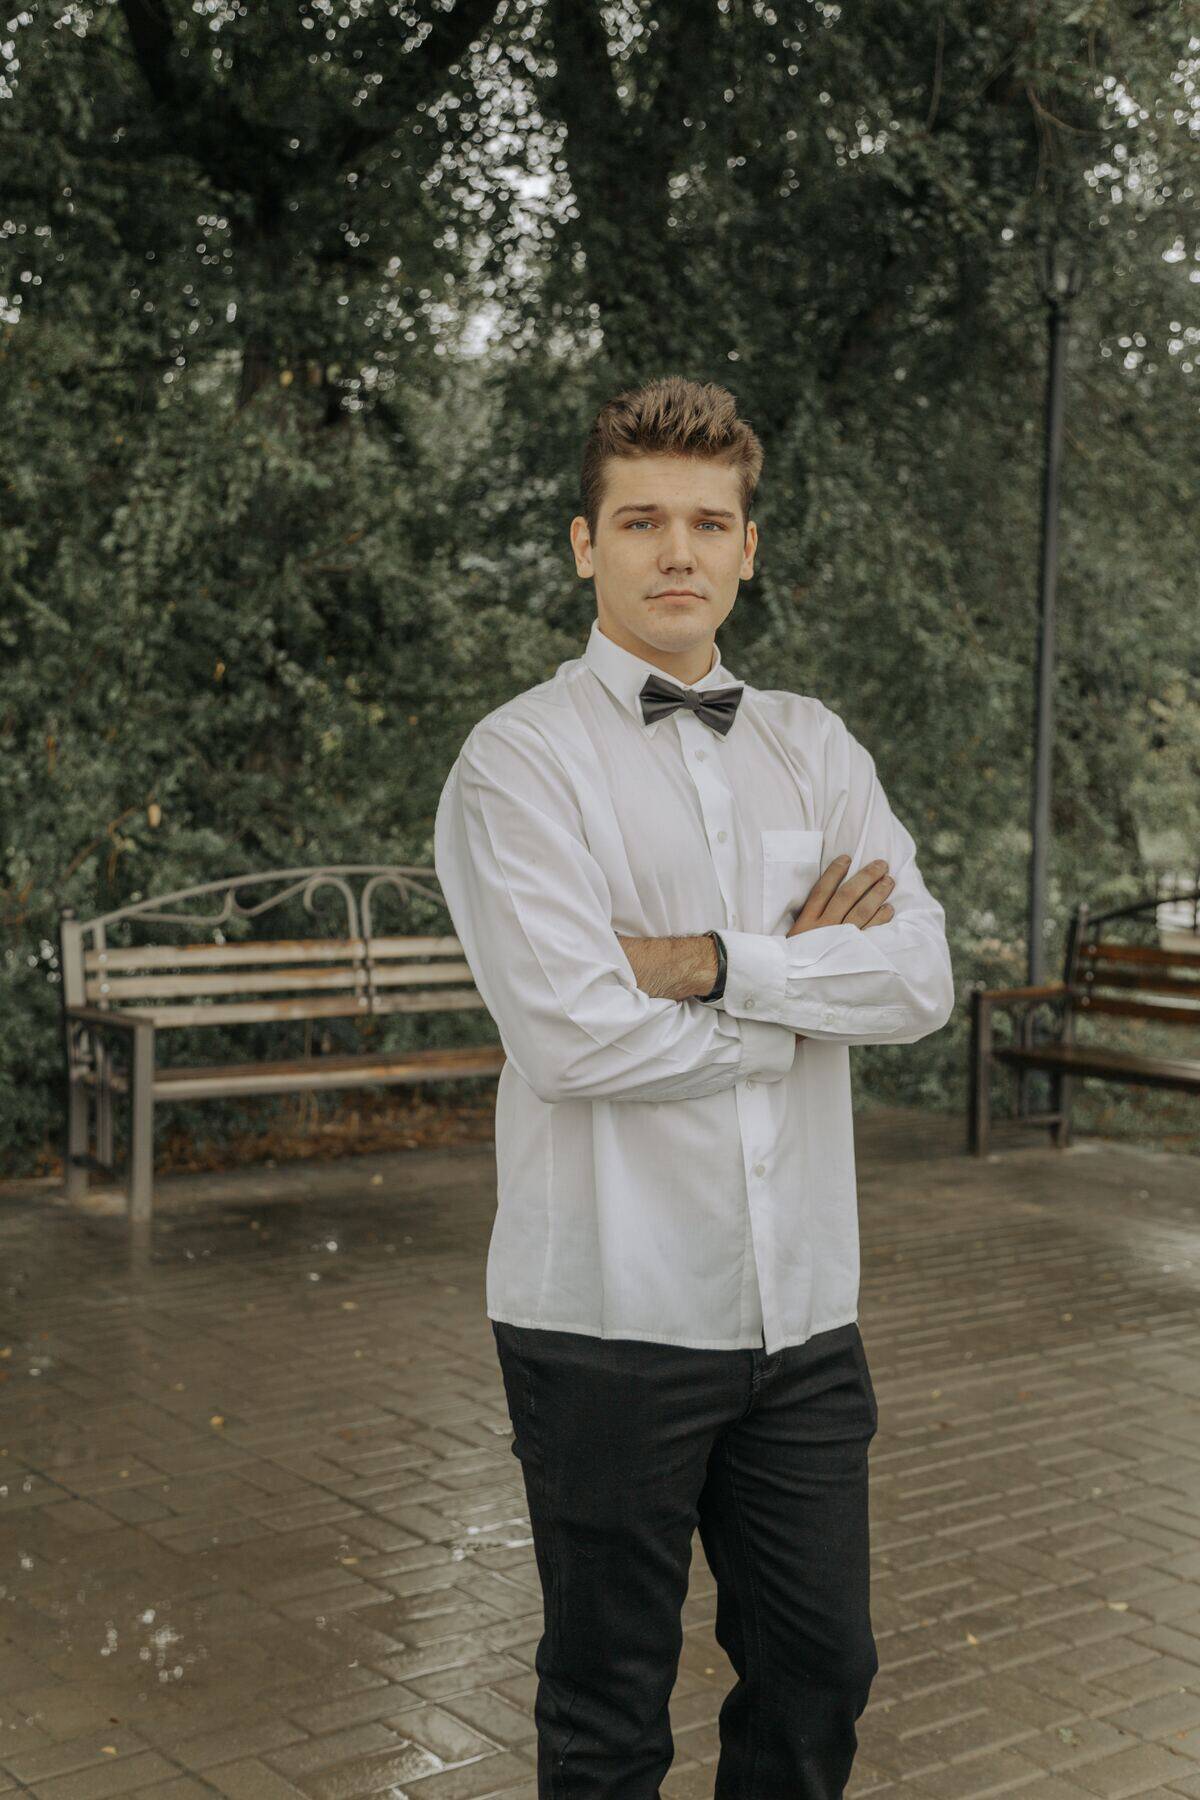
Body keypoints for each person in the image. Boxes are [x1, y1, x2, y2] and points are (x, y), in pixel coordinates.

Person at [433, 375, 954, 1798]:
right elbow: (572, 1039)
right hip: (606, 1316)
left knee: (821, 1670)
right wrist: (798, 994)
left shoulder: (815, 746)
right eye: (643, 519)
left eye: (708, 522)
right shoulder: (518, 764)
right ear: (583, 544)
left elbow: (917, 980)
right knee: (608, 1704)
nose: (679, 551)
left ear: (748, 548)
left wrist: (709, 963)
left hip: (804, 1319)